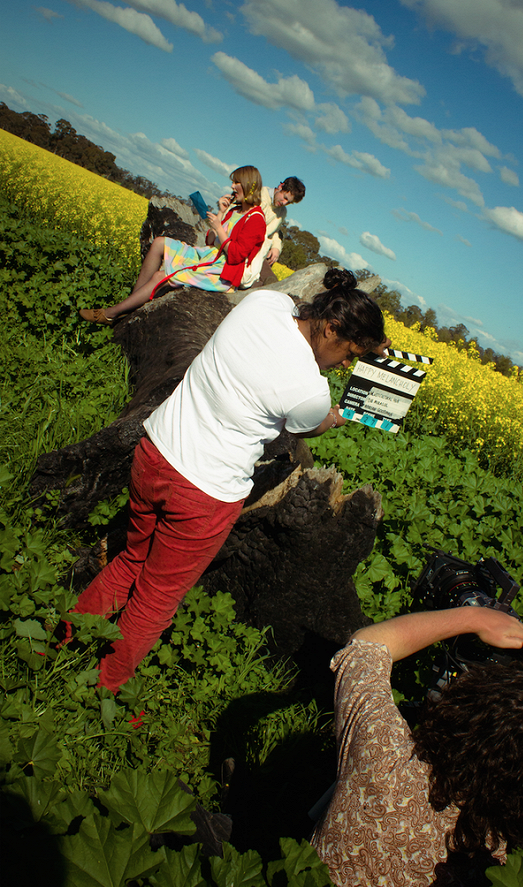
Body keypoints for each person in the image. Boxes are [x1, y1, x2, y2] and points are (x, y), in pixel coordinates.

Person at [70, 268, 387, 692]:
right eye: (350, 353)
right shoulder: (312, 394)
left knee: (129, 558)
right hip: (203, 494)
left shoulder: (264, 304)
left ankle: (63, 641)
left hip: (155, 453)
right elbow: (307, 426)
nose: (347, 364)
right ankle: (103, 688)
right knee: (157, 596)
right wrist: (332, 419)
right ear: (331, 329)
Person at [312, 607, 523, 887]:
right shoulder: (494, 864)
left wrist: (475, 618)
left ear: (461, 709)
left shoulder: (382, 754)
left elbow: (366, 646)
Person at [79, 165, 267, 325]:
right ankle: (132, 301)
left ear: (249, 186)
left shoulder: (256, 219)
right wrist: (220, 214)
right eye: (233, 182)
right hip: (209, 255)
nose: (232, 186)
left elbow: (235, 255)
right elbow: (211, 241)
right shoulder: (234, 210)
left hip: (222, 270)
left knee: (164, 275)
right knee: (160, 243)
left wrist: (219, 227)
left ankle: (110, 314)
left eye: (237, 183)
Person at [261, 177, 306, 267]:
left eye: (289, 202)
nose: (284, 203)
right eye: (285, 197)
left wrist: (276, 247)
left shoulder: (282, 212)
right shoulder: (260, 195)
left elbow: (274, 231)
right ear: (281, 186)